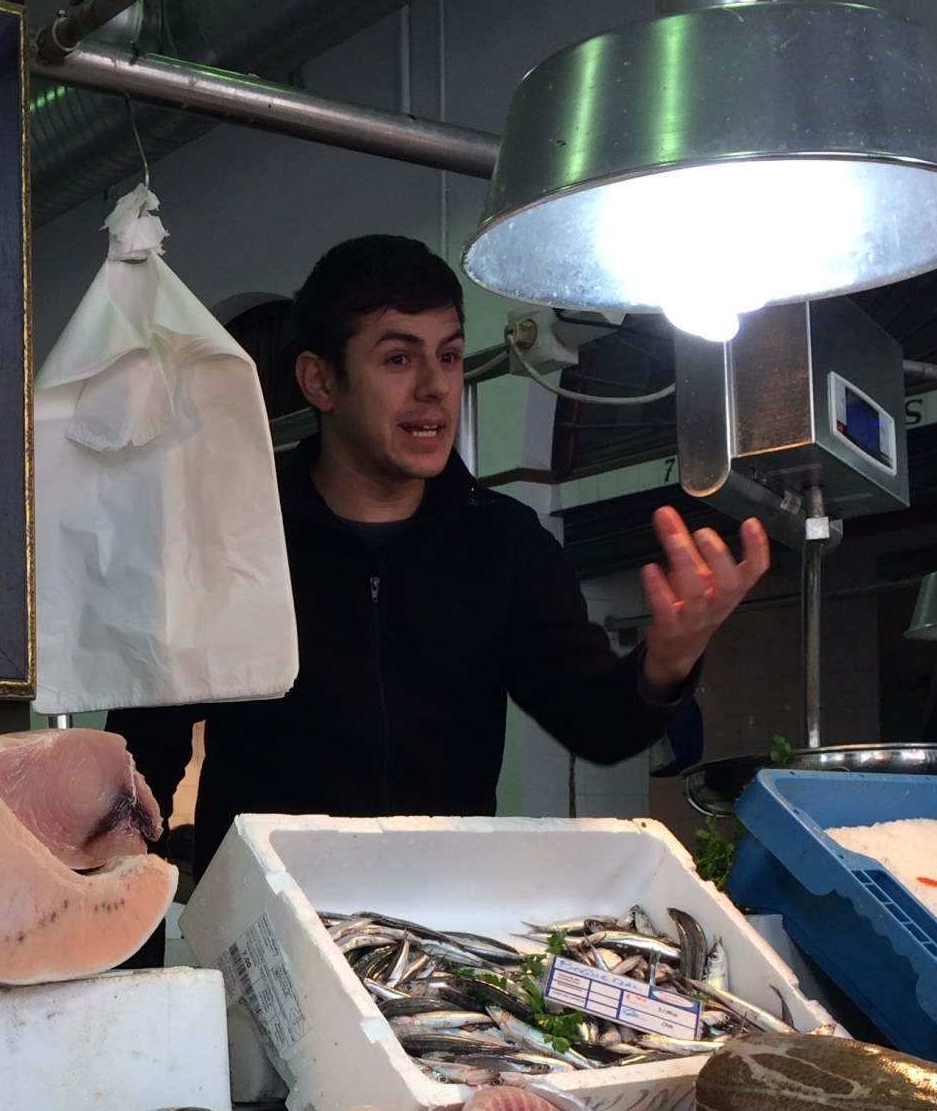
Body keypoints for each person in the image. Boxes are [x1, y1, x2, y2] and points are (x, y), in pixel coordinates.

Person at [112, 234, 769, 871]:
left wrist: (667, 661)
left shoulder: (505, 543)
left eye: (449, 356)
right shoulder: (228, 535)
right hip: (267, 920)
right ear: (319, 380)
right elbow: (138, 764)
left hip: (440, 924)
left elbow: (595, 722)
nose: (434, 386)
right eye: (398, 359)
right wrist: (117, 960)